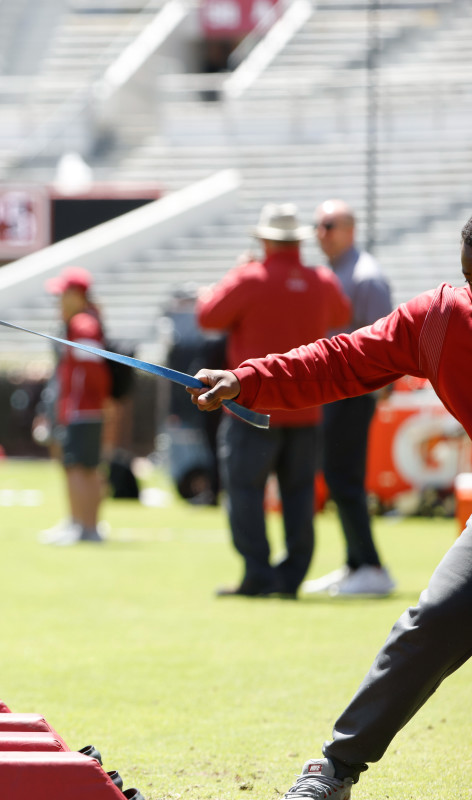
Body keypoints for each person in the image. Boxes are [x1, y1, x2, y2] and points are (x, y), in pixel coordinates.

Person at [188, 211, 472, 800]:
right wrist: (248, 379)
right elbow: (342, 358)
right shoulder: (443, 317)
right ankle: (335, 771)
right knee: (433, 623)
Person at [197, 203, 350, 597]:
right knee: (299, 494)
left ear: (265, 239)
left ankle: (258, 574)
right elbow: (342, 313)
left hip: (252, 406)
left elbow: (207, 316)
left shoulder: (250, 278)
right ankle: (291, 577)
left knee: (245, 491)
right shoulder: (321, 280)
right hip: (305, 407)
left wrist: (236, 272)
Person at [302, 199, 396, 598]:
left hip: (355, 391)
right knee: (338, 477)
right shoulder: (337, 272)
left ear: (349, 229)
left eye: (328, 225)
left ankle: (371, 565)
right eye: (318, 226)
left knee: (346, 478)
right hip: (338, 390)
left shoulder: (365, 276)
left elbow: (384, 342)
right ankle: (356, 562)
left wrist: (375, 393)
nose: (320, 233)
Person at [37, 266, 111, 545]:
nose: (59, 300)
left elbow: (92, 369)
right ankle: (81, 524)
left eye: (63, 294)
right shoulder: (83, 320)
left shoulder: (83, 324)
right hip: (81, 408)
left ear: (77, 295)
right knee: (82, 468)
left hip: (82, 409)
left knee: (81, 468)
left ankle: (84, 526)